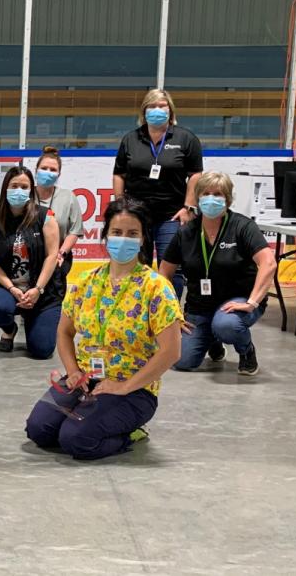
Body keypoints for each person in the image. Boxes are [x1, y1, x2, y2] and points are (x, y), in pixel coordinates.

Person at [25, 196, 182, 460]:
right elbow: (64, 332)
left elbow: (171, 352)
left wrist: (125, 387)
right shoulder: (87, 281)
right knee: (39, 430)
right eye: (117, 232)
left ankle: (131, 432)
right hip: (87, 380)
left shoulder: (156, 288)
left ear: (143, 239)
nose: (124, 239)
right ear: (105, 236)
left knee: (76, 440)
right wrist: (73, 372)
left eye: (132, 233)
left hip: (133, 389)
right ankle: (87, 417)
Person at [160, 172, 276, 376]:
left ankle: (246, 351)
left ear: (228, 199)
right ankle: (212, 339)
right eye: (205, 193)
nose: (211, 198)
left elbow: (269, 264)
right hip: (199, 307)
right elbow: (164, 273)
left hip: (236, 302)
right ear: (197, 199)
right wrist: (173, 312)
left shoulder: (243, 226)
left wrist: (251, 303)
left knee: (226, 324)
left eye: (218, 194)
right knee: (183, 361)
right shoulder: (186, 233)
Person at [113, 89, 204, 298]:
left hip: (171, 215)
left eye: (162, 106)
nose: (157, 110)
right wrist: (120, 207)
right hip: (136, 216)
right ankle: (137, 312)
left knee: (172, 267)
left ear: (170, 110)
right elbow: (119, 174)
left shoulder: (186, 138)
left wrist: (188, 207)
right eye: (152, 106)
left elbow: (196, 174)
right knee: (135, 266)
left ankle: (169, 316)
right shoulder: (131, 139)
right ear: (144, 111)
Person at [0, 167, 63, 359]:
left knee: (42, 351)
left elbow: (52, 256)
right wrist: (12, 289)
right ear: (5, 189)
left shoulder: (45, 217)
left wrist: (37, 290)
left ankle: (34, 317)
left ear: (31, 190)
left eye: (24, 186)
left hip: (43, 291)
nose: (19, 190)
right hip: (11, 287)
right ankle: (9, 329)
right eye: (14, 186)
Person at [34, 145, 85, 279]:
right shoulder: (26, 196)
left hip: (59, 257)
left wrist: (60, 254)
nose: (48, 172)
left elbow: (74, 231)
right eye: (44, 168)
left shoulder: (68, 197)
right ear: (36, 170)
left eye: (53, 170)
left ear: (58, 174)